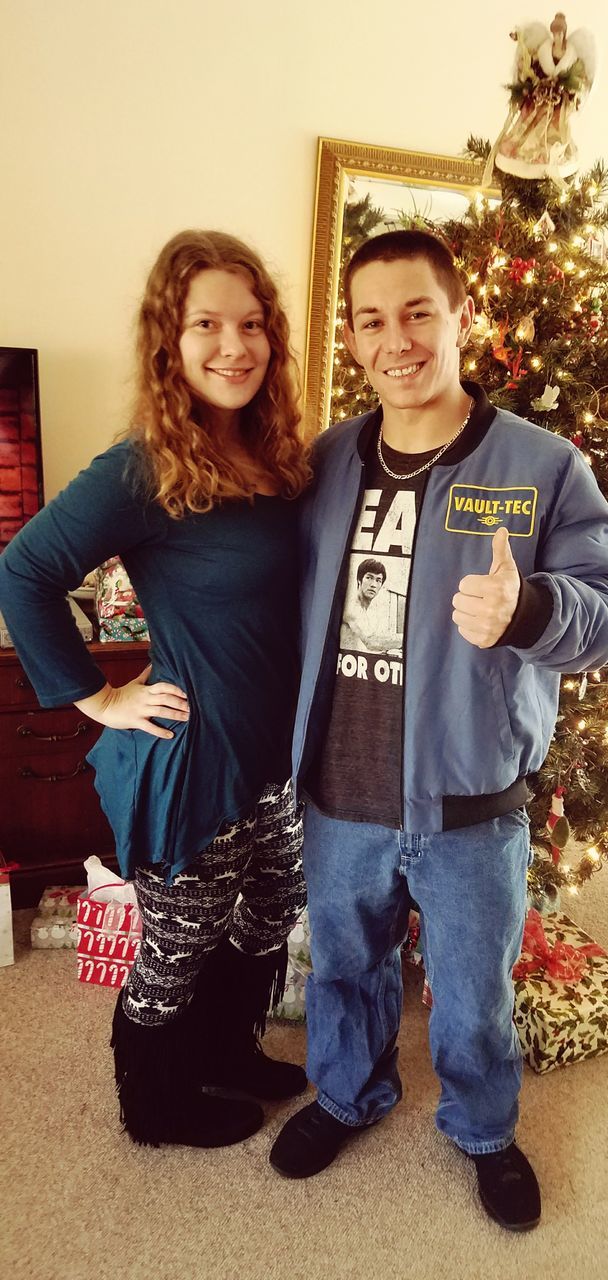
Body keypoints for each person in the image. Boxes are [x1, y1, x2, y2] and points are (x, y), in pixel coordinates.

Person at [268, 229, 608, 1230]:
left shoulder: (543, 463)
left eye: (417, 311)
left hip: (470, 802)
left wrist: (530, 613)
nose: (396, 338)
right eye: (371, 319)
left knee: (474, 988)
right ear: (351, 338)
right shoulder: (324, 461)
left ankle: (484, 1125)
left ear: (461, 315)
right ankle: (349, 1094)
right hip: (338, 790)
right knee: (343, 966)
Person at [0, 230, 312, 1148]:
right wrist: (98, 699)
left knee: (272, 905)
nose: (234, 345)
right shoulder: (144, 467)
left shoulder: (278, 455)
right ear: (168, 342)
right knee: (180, 940)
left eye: (251, 324)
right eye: (206, 323)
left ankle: (227, 1048)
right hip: (197, 753)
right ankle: (156, 1104)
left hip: (274, 750)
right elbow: (23, 571)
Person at [340, 557, 403, 653]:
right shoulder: (353, 607)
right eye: (369, 578)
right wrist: (408, 638)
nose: (373, 584)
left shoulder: (364, 608)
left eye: (378, 580)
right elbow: (372, 642)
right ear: (359, 580)